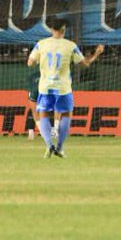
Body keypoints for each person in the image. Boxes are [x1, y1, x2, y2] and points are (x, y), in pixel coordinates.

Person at [27, 20, 104, 158]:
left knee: (43, 115)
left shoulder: (41, 44)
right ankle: (60, 148)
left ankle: (49, 145)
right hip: (63, 88)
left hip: (45, 87)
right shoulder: (70, 46)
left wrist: (41, 61)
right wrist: (96, 54)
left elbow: (30, 62)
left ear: (51, 29)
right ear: (64, 30)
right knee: (66, 114)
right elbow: (84, 64)